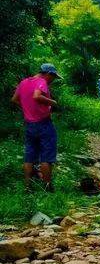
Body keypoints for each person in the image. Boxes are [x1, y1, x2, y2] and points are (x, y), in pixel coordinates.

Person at [11, 63, 62, 191]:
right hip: (44, 123)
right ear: (48, 74)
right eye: (53, 77)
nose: (52, 80)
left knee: (30, 155)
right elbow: (37, 96)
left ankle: (28, 186)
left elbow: (15, 99)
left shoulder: (23, 82)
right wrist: (53, 102)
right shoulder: (42, 81)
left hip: (29, 124)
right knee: (47, 155)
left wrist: (27, 109)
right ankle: (47, 186)